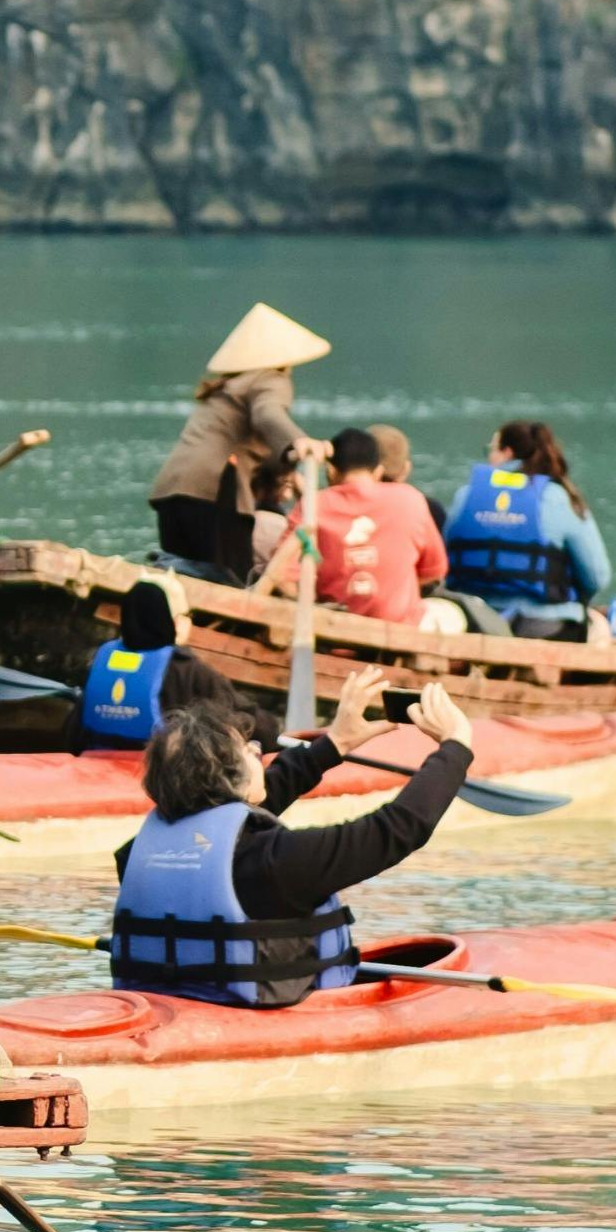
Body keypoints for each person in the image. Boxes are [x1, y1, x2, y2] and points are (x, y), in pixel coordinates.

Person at [108, 673, 473, 1007]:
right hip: (248, 1020)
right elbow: (397, 829)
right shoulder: (278, 863)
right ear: (231, 776)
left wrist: (335, 743)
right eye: (249, 750)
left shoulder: (135, 854)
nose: (259, 754)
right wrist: (455, 747)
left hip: (164, 1001)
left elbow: (229, 809)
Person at [146, 303, 332, 584]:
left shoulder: (225, 388)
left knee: (181, 579)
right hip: (215, 492)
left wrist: (287, 464)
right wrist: (300, 442)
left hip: (172, 492)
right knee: (232, 581)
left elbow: (252, 447)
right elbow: (267, 413)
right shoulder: (270, 379)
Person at [255, 428, 453, 629]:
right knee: (450, 613)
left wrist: (309, 603)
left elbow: (281, 575)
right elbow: (434, 571)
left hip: (333, 631)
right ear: (377, 471)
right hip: (399, 629)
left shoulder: (314, 505)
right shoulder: (411, 499)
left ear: (331, 471)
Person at [443, 420, 613, 640]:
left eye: (491, 450)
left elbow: (442, 560)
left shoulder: (465, 495)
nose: (488, 457)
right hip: (543, 626)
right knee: (599, 627)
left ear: (506, 452)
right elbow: (597, 577)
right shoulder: (558, 498)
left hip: (474, 621)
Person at [77, 573, 271, 749]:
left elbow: (75, 730)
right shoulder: (188, 670)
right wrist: (275, 733)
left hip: (98, 768)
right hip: (159, 776)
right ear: (173, 622)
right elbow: (245, 717)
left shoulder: (102, 661)